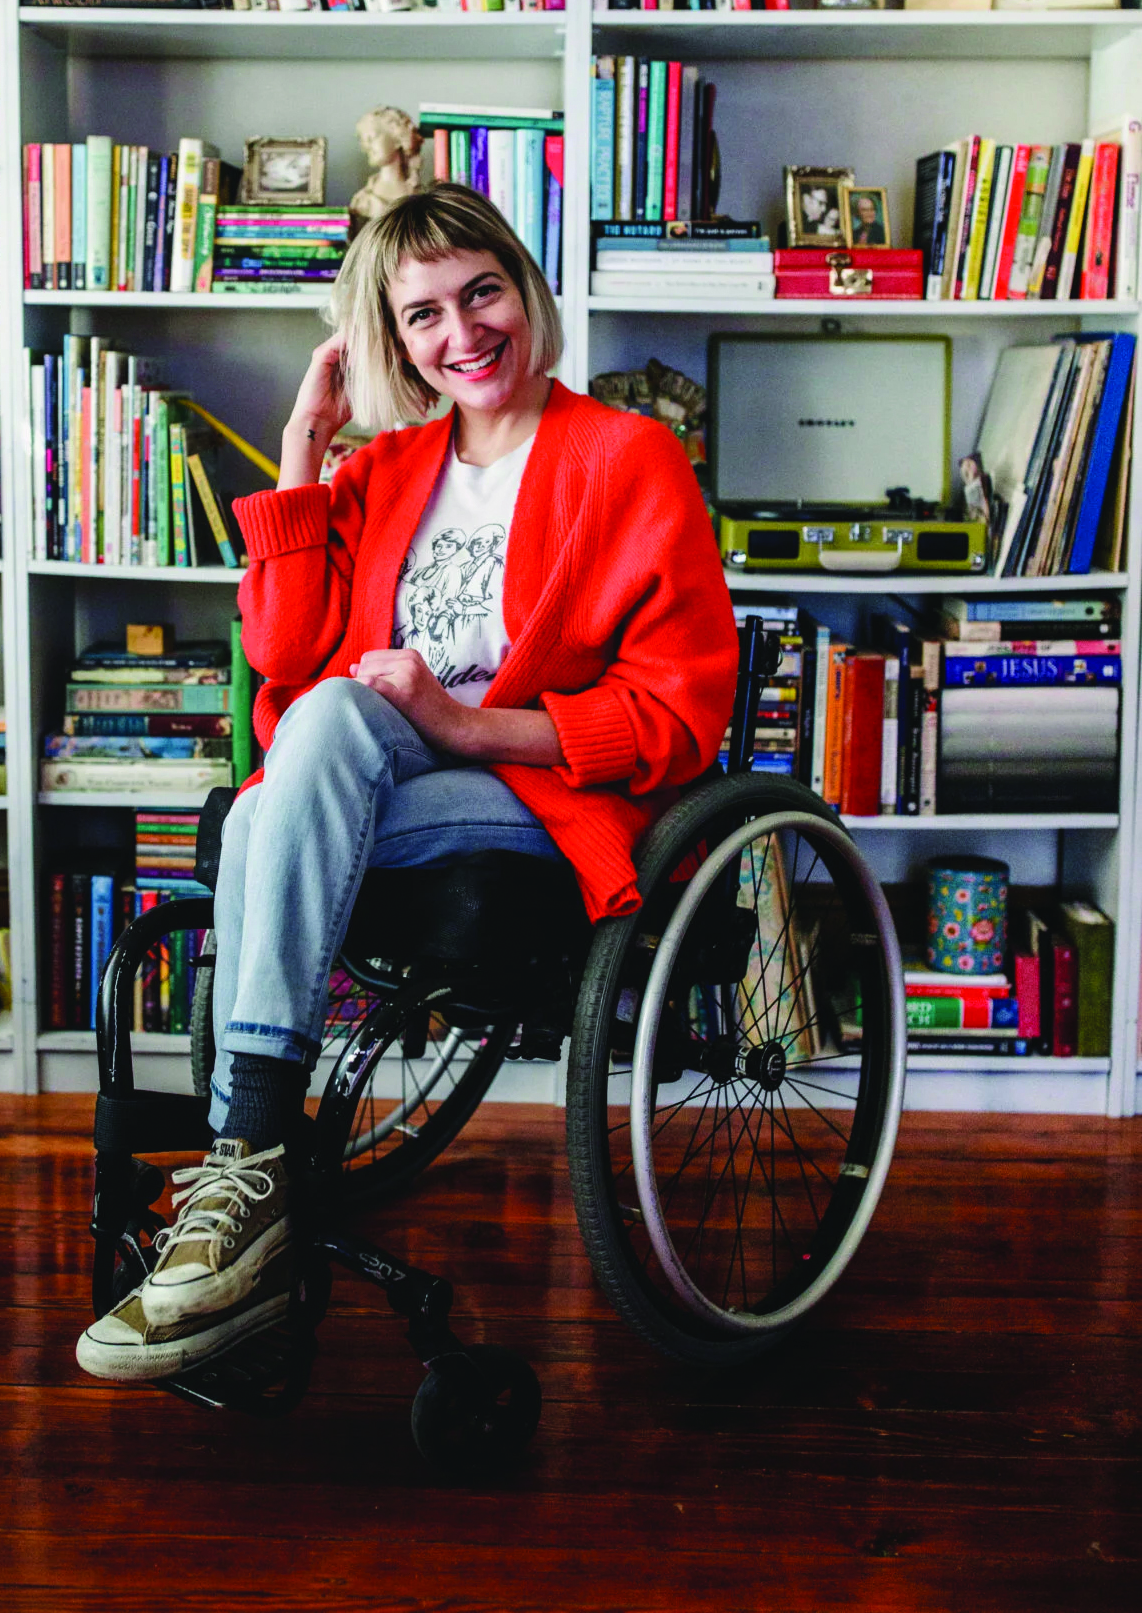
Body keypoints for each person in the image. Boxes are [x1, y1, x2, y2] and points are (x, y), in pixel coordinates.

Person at [76, 182, 738, 1383]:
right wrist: (304, 448)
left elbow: (678, 714)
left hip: (543, 795)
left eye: (481, 291)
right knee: (318, 717)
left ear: (523, 289)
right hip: (374, 781)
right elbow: (282, 650)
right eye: (422, 313)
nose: (461, 332)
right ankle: (254, 1175)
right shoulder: (388, 467)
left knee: (275, 799)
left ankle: (243, 1162)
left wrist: (465, 722)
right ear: (392, 337)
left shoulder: (626, 457)